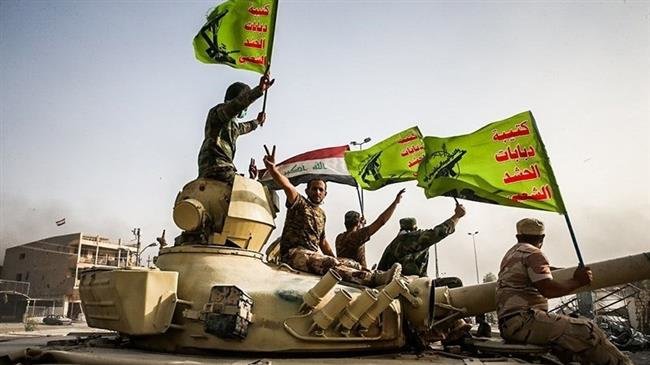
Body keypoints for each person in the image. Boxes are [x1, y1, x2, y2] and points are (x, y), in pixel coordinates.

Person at [496, 218, 631, 365]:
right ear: (542, 238)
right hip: (524, 321)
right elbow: (548, 289)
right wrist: (579, 281)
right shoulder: (534, 253)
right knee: (587, 330)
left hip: (510, 324)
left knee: (571, 340)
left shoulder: (512, 254)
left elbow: (537, 274)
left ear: (518, 236)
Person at [262, 145, 400, 287]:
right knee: (330, 263)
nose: (317, 192)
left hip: (311, 254)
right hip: (293, 255)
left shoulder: (322, 214)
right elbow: (288, 186)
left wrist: (335, 258)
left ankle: (377, 275)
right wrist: (273, 170)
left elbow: (322, 241)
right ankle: (372, 280)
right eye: (314, 189)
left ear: (325, 194)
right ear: (307, 191)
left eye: (320, 189)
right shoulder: (299, 203)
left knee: (350, 263)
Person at [197, 74, 274, 183]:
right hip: (217, 167)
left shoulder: (233, 124)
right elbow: (236, 106)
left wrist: (257, 121)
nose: (246, 107)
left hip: (222, 168)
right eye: (244, 97)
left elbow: (244, 127)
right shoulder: (218, 112)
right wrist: (258, 90)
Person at [377, 204, 466, 278]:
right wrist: (457, 216)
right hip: (411, 287)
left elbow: (380, 270)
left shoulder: (392, 245)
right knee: (455, 282)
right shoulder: (411, 238)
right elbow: (438, 233)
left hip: (392, 287)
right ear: (414, 228)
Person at [335, 188, 405, 269]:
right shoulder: (356, 236)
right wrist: (395, 203)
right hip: (357, 275)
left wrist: (361, 226)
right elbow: (381, 221)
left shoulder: (339, 237)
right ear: (358, 223)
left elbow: (358, 237)